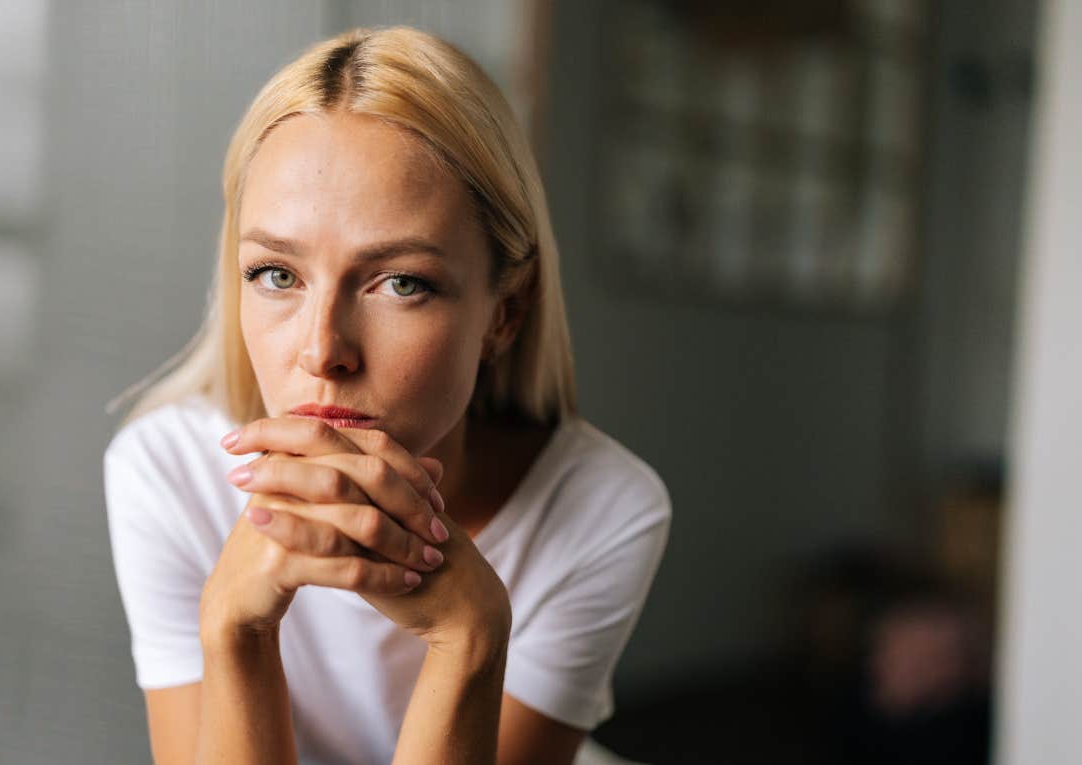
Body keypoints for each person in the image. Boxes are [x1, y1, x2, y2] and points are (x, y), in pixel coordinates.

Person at [102, 26, 671, 765]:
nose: (321, 351)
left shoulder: (602, 510)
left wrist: (471, 637)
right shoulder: (166, 472)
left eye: (401, 283)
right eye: (277, 273)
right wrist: (233, 630)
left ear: (505, 311)